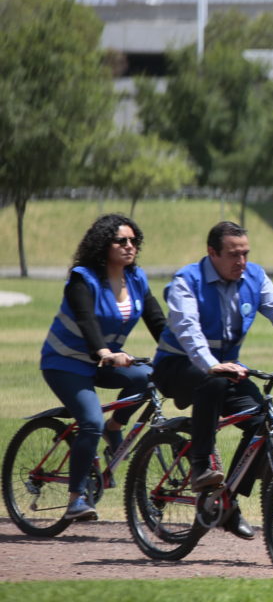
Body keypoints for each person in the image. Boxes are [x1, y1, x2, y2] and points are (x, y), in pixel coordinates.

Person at [151, 221, 273, 540]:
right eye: (233, 254)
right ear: (211, 253)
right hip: (178, 366)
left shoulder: (254, 276)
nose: (241, 261)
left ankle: (227, 503)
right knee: (211, 383)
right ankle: (201, 464)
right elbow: (188, 330)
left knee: (263, 422)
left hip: (226, 369)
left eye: (245, 253)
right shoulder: (186, 281)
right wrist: (212, 366)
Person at [40, 214, 167, 521]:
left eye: (133, 241)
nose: (129, 246)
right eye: (120, 240)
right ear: (103, 244)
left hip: (104, 361)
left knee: (151, 378)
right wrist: (105, 352)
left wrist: (182, 352)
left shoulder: (137, 279)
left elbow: (157, 322)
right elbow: (86, 320)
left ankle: (115, 429)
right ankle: (76, 499)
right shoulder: (83, 279)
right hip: (66, 363)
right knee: (90, 421)